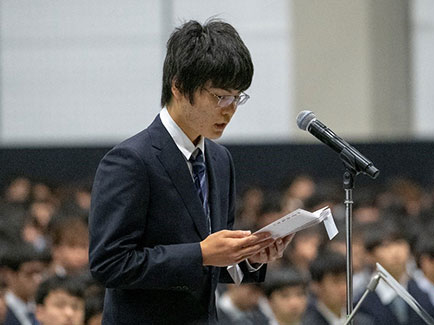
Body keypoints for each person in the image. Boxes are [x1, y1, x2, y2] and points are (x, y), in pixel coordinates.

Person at [89, 19, 293, 324]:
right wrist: (200, 254)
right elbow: (109, 264)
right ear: (180, 86)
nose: (230, 108)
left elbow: (211, 263)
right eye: (220, 96)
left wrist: (247, 257)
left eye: (238, 97)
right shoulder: (130, 160)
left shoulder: (220, 159)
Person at [1, 242, 49, 325]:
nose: (37, 279)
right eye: (29, 274)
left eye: (39, 273)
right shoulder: (2, 311)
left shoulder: (45, 308)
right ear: (9, 275)